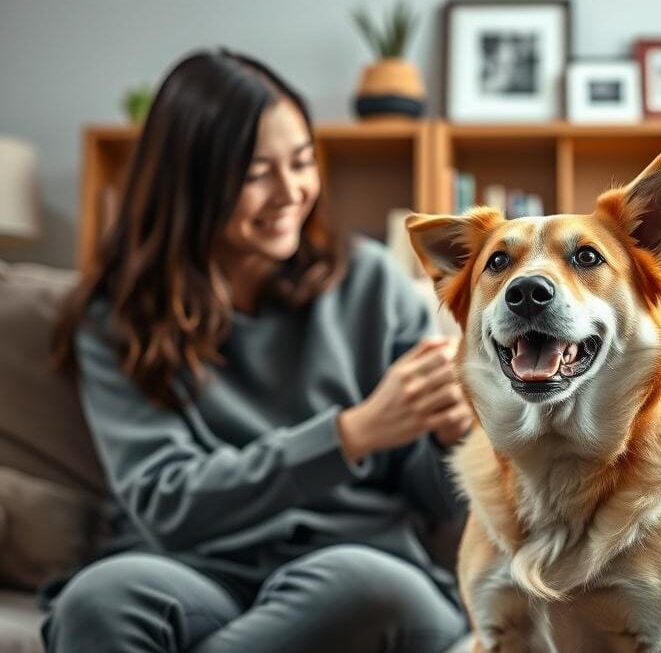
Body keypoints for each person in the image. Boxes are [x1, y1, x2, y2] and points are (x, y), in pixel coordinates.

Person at [44, 49, 473, 653]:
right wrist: (349, 435)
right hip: (196, 571)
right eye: (255, 174)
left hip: (353, 566)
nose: (291, 191)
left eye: (302, 162)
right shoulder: (118, 316)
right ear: (188, 183)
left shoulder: (372, 284)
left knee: (365, 586)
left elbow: (441, 504)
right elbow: (164, 501)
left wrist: (453, 434)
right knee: (98, 600)